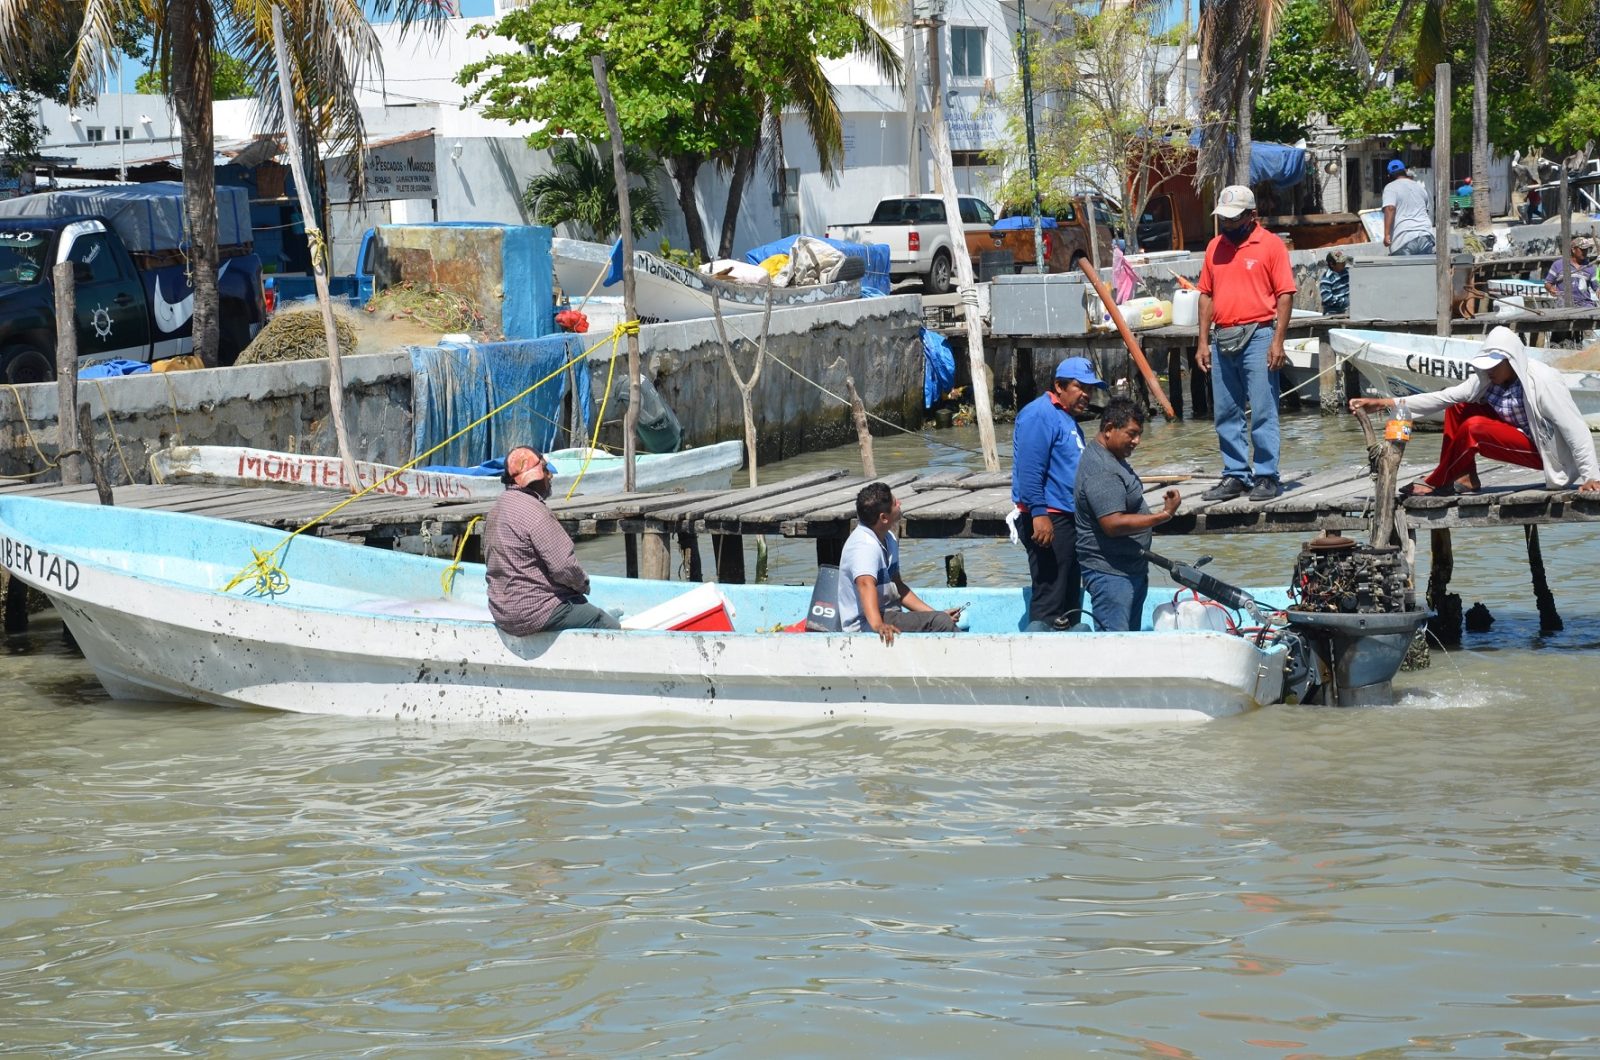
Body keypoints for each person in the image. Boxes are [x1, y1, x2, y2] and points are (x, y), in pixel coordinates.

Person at [1348, 326, 1600, 496]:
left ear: (1510, 361)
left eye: (1494, 365)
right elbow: (1443, 397)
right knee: (1459, 407)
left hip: (1547, 454)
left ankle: (1439, 480)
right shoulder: (1487, 378)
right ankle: (1465, 477)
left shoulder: (1543, 381)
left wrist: (1591, 476)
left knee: (1474, 429)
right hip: (1517, 435)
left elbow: (1575, 428)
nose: (1489, 370)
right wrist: (1385, 404)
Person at [1196, 184, 1296, 503]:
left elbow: (1285, 294)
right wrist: (1201, 342)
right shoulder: (1214, 247)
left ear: (1252, 216)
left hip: (1259, 333)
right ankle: (1235, 474)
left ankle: (1266, 474)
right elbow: (1206, 295)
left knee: (1264, 409)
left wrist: (1277, 341)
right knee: (1226, 410)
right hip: (1222, 335)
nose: (1227, 224)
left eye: (1233, 218)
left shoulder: (1271, 246)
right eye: (1223, 219)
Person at [483, 446, 621, 634]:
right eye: (546, 471)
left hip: (502, 612)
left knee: (581, 606)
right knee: (607, 624)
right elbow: (565, 568)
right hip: (536, 612)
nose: (550, 476)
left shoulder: (496, 510)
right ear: (535, 478)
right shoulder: (536, 512)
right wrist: (583, 586)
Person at [1011, 357, 1107, 629]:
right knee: (1050, 594)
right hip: (1050, 519)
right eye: (1080, 387)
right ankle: (1040, 657)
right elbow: (1029, 470)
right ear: (1059, 386)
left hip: (1069, 517)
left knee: (1069, 595)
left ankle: (1066, 652)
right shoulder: (1039, 415)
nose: (1086, 395)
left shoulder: (1065, 418)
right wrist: (1039, 514)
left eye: (1090, 389)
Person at [1074, 397, 1182, 632]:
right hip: (1111, 575)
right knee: (1116, 650)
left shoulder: (1113, 458)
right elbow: (1113, 524)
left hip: (1128, 569)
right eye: (1131, 434)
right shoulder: (1102, 470)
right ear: (1109, 429)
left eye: (1140, 434)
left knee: (1130, 645)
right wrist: (1163, 516)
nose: (1137, 441)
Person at [837, 482, 960, 645]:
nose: (899, 503)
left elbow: (898, 587)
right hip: (865, 623)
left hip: (889, 613)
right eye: (895, 503)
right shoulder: (864, 547)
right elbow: (866, 584)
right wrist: (878, 625)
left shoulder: (889, 538)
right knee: (941, 623)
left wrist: (937, 613)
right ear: (884, 517)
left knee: (942, 619)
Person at [1382, 159, 1435, 256]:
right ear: (1406, 171)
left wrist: (1387, 235)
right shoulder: (1420, 187)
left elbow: (1390, 208)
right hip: (1425, 235)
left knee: (1404, 270)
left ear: (1389, 176)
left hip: (1403, 238)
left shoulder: (1390, 187)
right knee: (1425, 270)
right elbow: (1426, 210)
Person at [1543, 236, 1597, 308]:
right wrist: (1550, 289)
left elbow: (1596, 287)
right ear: (1573, 250)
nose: (1585, 252)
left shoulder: (1590, 267)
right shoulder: (1558, 265)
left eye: (1586, 250)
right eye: (1582, 249)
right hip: (1563, 304)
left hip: (1585, 304)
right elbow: (1548, 283)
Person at [1319, 249, 1350, 314]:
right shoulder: (1327, 279)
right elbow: (1327, 299)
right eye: (1340, 262)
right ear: (1332, 264)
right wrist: (1345, 301)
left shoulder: (1346, 272)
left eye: (1343, 261)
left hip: (1347, 311)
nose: (1343, 263)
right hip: (1334, 314)